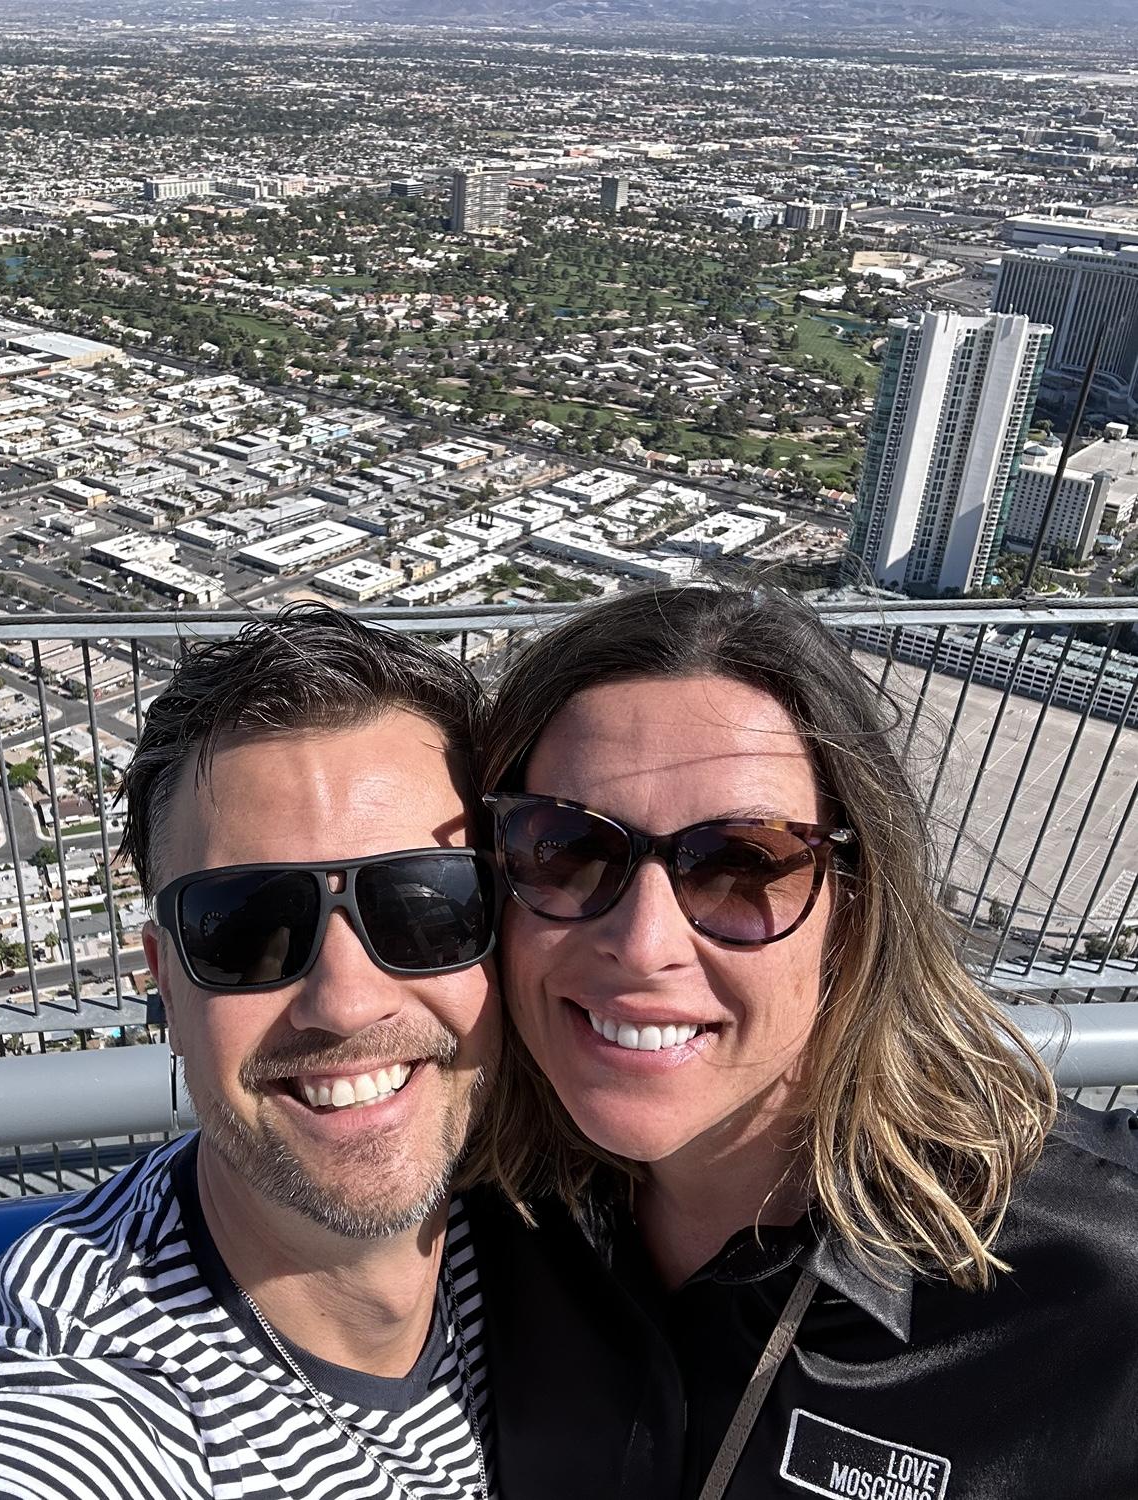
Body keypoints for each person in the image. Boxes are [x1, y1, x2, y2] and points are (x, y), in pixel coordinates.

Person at [478, 583, 1138, 1500]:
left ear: (855, 910)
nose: (643, 942)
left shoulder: (1100, 1288)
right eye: (565, 850)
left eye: (742, 865)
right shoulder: (469, 1217)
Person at [0, 607, 511, 1498]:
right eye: (248, 929)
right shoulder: (78, 1386)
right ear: (165, 980)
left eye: (424, 906)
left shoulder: (566, 1197)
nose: (346, 1001)